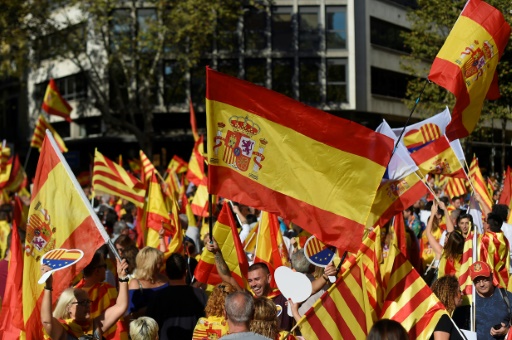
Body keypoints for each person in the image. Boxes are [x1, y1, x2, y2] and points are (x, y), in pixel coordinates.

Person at [40, 258, 129, 340]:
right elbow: (47, 321)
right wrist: (48, 286)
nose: (87, 305)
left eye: (88, 302)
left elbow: (120, 306)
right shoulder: (63, 330)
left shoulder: (95, 325)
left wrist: (122, 277)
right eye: (82, 302)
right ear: (68, 308)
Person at [146, 253, 207, 340]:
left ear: (166, 273)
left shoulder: (157, 297)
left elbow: (150, 327)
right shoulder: (201, 295)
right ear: (186, 272)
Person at [74, 249, 124, 339]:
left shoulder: (73, 294)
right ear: (96, 271)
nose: (106, 269)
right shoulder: (108, 289)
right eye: (104, 266)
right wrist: (123, 278)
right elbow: (122, 308)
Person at [470, 261, 512, 339]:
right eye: (477, 281)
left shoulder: (507, 297)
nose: (482, 284)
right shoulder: (469, 301)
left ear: (492, 276)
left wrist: (507, 331)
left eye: (485, 280)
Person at [128, 247, 169, 320]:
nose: (162, 265)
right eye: (159, 263)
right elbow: (133, 313)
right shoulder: (135, 283)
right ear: (149, 264)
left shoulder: (165, 278)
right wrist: (158, 305)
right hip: (149, 328)